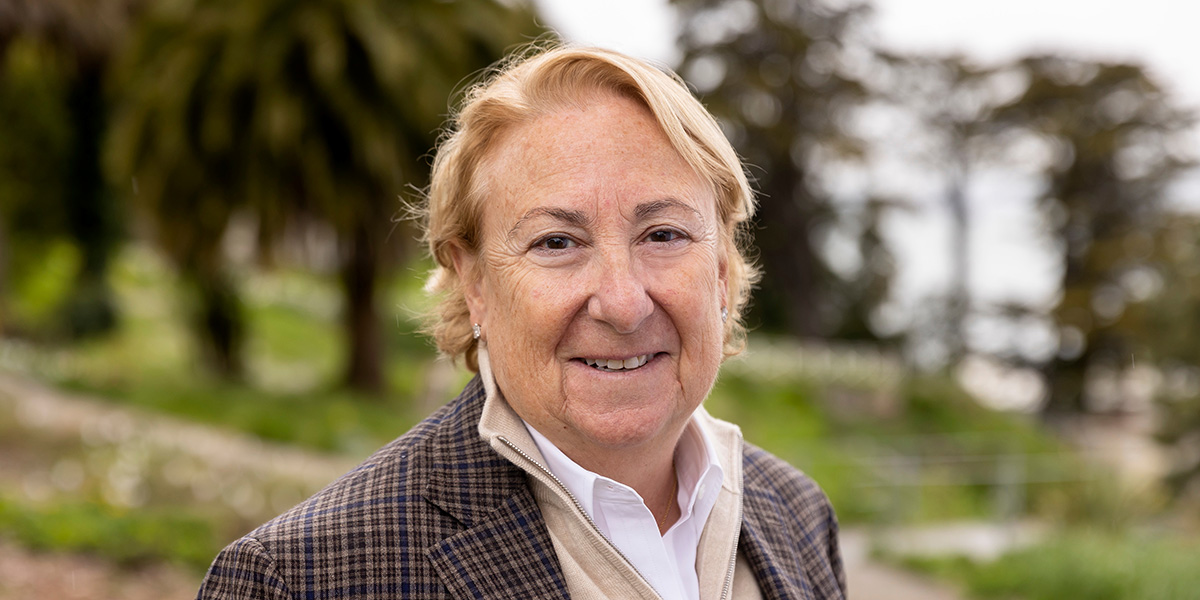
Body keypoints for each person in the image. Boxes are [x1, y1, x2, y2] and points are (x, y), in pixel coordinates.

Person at [196, 45, 845, 600]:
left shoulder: (797, 514)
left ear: (724, 270)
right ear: (473, 283)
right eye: (557, 243)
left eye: (665, 233)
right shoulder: (298, 579)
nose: (622, 303)